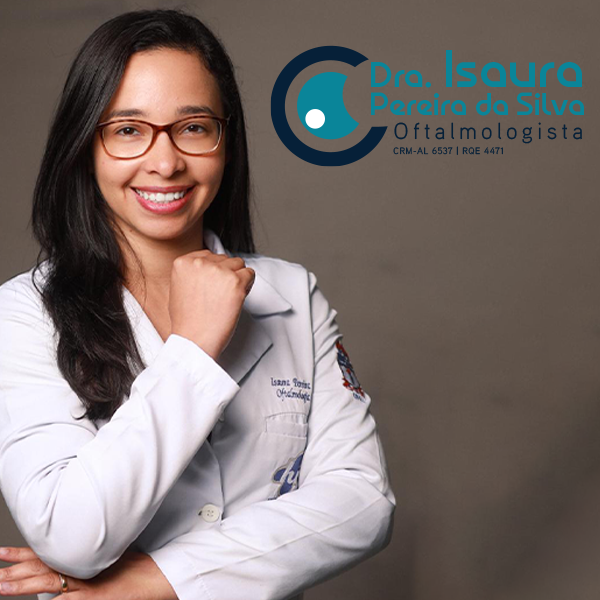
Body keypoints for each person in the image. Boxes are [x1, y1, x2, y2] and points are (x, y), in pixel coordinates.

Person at [0, 8, 395, 600]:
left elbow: (362, 502)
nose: (165, 162)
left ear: (225, 141)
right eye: (127, 130)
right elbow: (71, 535)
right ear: (85, 146)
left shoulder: (292, 295)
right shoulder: (23, 313)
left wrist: (154, 579)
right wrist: (192, 350)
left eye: (192, 127)